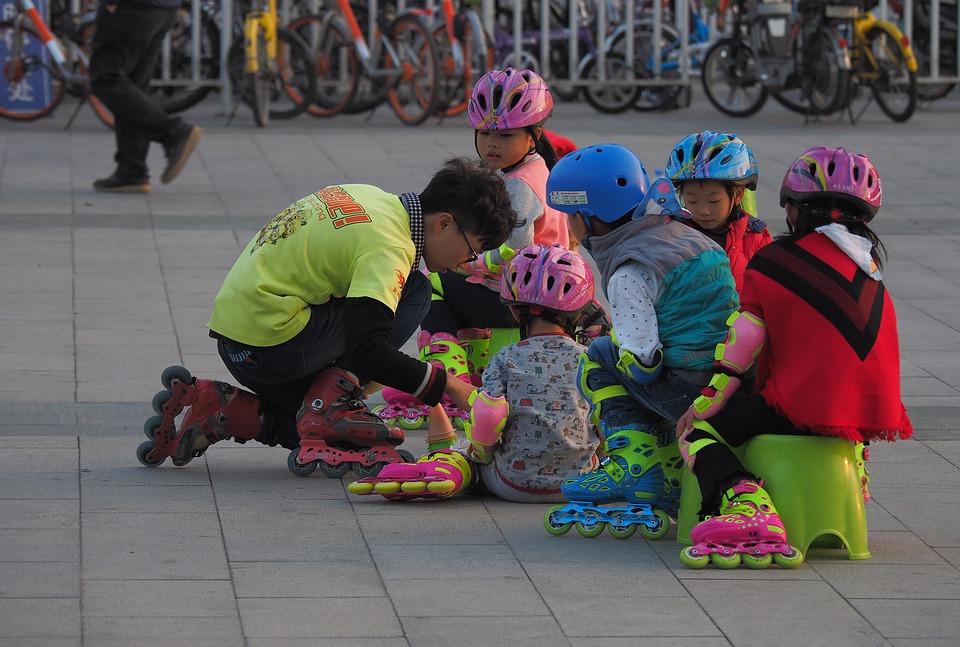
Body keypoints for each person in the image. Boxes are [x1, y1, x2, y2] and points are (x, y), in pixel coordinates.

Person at [139, 158, 518, 477]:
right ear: (444, 223)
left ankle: (221, 408)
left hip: (240, 340)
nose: (463, 266)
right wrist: (451, 386)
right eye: (471, 252)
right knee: (416, 290)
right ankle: (329, 402)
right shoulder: (390, 247)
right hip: (273, 342)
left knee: (328, 436)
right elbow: (368, 351)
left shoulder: (371, 196)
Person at [674, 146, 913, 569]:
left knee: (699, 431)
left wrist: (705, 402)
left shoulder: (774, 260)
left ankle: (747, 506)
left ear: (792, 211)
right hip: (868, 418)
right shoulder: (870, 265)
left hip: (802, 408)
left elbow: (743, 342)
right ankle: (852, 481)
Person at [543, 143, 740, 530]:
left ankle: (631, 466)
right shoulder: (686, 235)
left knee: (600, 358)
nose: (569, 226)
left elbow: (645, 362)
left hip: (688, 391)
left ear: (588, 217)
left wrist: (621, 349)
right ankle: (666, 468)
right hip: (727, 382)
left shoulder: (629, 269)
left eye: (570, 217)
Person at [378, 68, 573, 438]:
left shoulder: (520, 185)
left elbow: (517, 249)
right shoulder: (538, 169)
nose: (492, 144)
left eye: (505, 135)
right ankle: (465, 368)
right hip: (535, 292)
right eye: (485, 134)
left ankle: (451, 383)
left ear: (534, 135)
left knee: (432, 284)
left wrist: (473, 264)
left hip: (519, 298)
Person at [349, 244, 600, 503]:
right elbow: (606, 416)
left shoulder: (505, 358)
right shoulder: (591, 357)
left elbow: (487, 417)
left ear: (514, 310)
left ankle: (453, 469)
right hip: (580, 481)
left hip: (512, 482)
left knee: (468, 457)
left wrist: (480, 456)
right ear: (579, 313)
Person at [89, 0, 203, 193]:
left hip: (132, 7)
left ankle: (173, 133)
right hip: (164, 8)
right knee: (134, 84)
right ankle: (131, 170)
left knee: (106, 79)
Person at [665, 131, 773, 293]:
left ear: (737, 195)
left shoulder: (755, 237)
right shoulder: (669, 234)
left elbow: (769, 292)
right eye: (692, 200)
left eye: (714, 201)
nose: (703, 211)